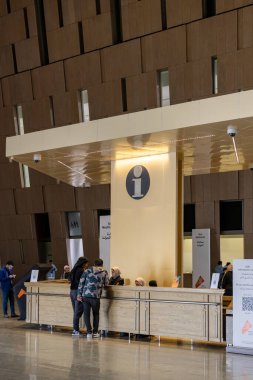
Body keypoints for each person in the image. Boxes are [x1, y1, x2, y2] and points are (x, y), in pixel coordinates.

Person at [77, 258, 109, 339]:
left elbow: (81, 282)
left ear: (94, 264)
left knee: (86, 314)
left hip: (85, 295)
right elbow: (106, 283)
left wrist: (79, 294)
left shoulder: (87, 270)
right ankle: (95, 332)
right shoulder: (104, 272)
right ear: (102, 264)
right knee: (96, 314)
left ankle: (89, 332)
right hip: (96, 296)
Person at [70, 257, 89, 336]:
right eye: (87, 263)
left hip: (72, 291)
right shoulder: (81, 270)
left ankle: (75, 330)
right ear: (83, 263)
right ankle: (76, 330)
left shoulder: (74, 269)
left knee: (76, 312)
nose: (87, 265)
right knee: (77, 312)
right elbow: (82, 282)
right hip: (78, 292)